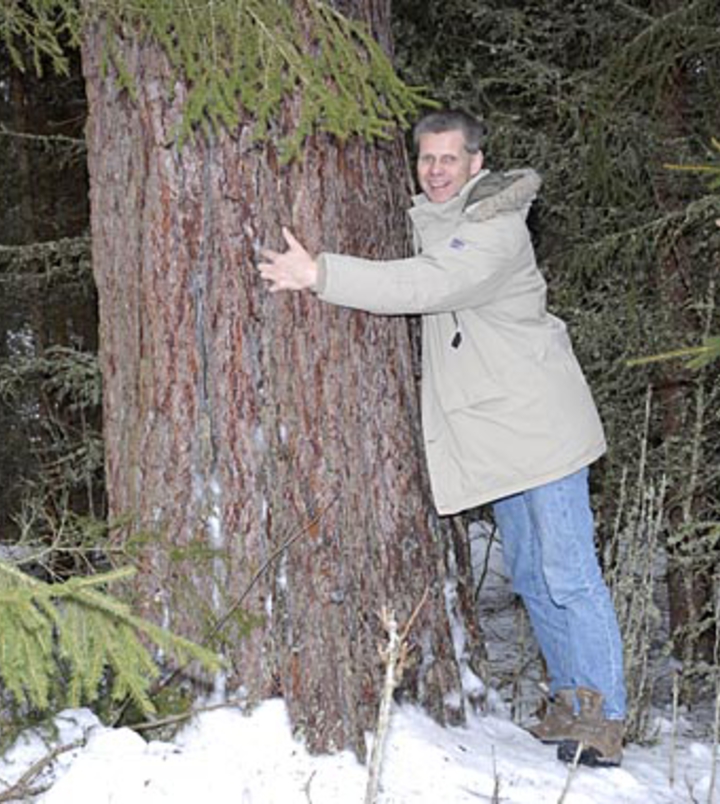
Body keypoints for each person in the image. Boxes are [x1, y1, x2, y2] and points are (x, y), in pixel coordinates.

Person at [256, 109, 626, 767]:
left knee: (569, 575)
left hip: (542, 426)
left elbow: (429, 285)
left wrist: (322, 275)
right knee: (537, 580)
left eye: (449, 159)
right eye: (426, 159)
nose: (435, 171)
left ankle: (606, 717)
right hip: (500, 435)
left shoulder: (494, 229)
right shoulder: (440, 225)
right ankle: (574, 704)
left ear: (477, 164)